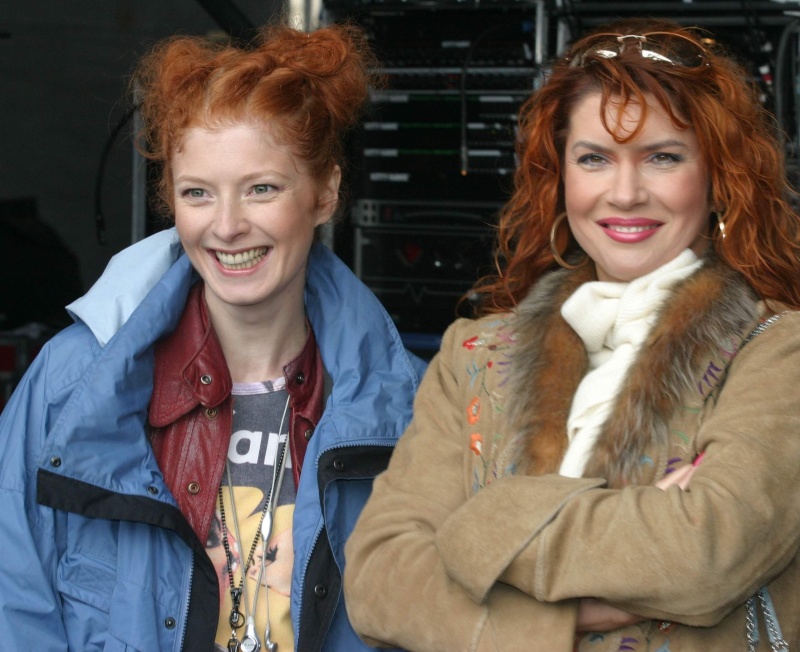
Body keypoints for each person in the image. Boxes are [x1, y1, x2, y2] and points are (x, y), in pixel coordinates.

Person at [343, 16, 800, 651]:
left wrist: (478, 526)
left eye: (663, 157)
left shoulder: (779, 351)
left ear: (718, 177)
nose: (625, 193)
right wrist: (574, 614)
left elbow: (707, 552)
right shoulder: (473, 354)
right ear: (560, 178)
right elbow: (377, 580)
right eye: (594, 159)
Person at [0, 21, 426, 652]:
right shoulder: (69, 385)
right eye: (198, 193)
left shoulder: (411, 406)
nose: (226, 226)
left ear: (326, 193)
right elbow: (12, 607)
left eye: (261, 189)